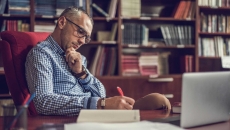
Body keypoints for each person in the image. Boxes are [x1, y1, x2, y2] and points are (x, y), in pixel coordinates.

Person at [25, 7, 171, 116]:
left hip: (96, 113)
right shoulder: (41, 54)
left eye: (86, 37)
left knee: (159, 102)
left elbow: (101, 92)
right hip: (77, 118)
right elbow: (43, 102)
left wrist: (81, 73)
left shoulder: (74, 57)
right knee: (156, 107)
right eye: (80, 32)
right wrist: (101, 104)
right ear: (62, 22)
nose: (82, 41)